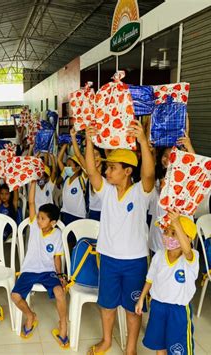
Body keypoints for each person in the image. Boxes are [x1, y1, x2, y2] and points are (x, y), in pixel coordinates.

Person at [84, 120, 155, 355]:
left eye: (112, 168)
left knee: (133, 307)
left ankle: (131, 348)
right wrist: (89, 139)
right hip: (109, 259)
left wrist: (143, 141)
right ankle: (106, 341)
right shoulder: (106, 192)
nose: (106, 171)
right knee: (107, 304)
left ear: (127, 171)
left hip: (135, 262)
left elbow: (149, 173)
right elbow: (92, 170)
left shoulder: (141, 192)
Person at [11, 180, 69, 348]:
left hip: (48, 271)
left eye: (42, 218)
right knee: (15, 296)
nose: (38, 220)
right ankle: (30, 315)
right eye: (38, 217)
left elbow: (57, 258)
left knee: (60, 292)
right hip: (29, 269)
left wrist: (60, 276)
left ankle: (63, 325)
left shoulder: (57, 234)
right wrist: (33, 183)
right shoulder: (35, 227)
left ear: (52, 223)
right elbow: (30, 202)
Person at [135, 209, 199, 355]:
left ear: (187, 238)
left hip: (178, 311)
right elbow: (149, 279)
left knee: (179, 348)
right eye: (166, 231)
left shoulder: (191, 258)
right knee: (160, 344)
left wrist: (176, 222)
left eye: (174, 233)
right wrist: (141, 299)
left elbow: (187, 251)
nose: (167, 236)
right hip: (158, 307)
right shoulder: (159, 255)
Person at [69, 128, 104, 221]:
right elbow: (79, 155)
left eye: (97, 155)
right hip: (92, 211)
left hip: (106, 211)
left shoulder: (108, 172)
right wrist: (73, 137)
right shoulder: (89, 171)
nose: (94, 158)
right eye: (92, 155)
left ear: (102, 156)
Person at [57, 144, 87, 244]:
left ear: (78, 168)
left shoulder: (82, 179)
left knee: (77, 241)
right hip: (66, 213)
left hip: (78, 215)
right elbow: (59, 160)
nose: (66, 167)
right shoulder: (66, 177)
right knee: (66, 241)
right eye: (67, 165)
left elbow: (85, 166)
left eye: (70, 165)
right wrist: (64, 145)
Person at [0, 175, 19, 241]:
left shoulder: (14, 204)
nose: (4, 196)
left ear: (11, 195)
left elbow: (15, 190)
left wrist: (12, 178)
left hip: (9, 230)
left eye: (6, 194)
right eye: (2, 194)